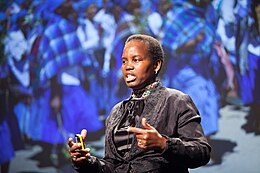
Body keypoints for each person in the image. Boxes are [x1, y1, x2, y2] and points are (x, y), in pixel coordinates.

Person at [67, 34, 211, 173]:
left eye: (135, 60)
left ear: (156, 65)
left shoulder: (175, 101)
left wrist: (164, 144)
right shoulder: (117, 112)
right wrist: (86, 162)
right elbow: (113, 166)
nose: (128, 66)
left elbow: (202, 152)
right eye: (124, 61)